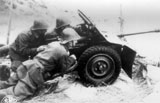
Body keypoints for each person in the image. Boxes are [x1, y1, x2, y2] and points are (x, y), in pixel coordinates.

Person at [0, 27, 81, 102]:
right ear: (69, 42)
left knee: (8, 82)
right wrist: (71, 59)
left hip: (27, 65)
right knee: (17, 94)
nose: (75, 42)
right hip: (35, 72)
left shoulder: (54, 43)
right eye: (74, 41)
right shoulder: (63, 52)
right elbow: (63, 69)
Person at [0, 16, 73, 90]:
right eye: (44, 30)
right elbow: (23, 51)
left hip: (30, 53)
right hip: (17, 54)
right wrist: (37, 49)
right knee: (20, 71)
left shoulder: (41, 34)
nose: (46, 31)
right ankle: (6, 75)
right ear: (38, 30)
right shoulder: (24, 35)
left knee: (29, 71)